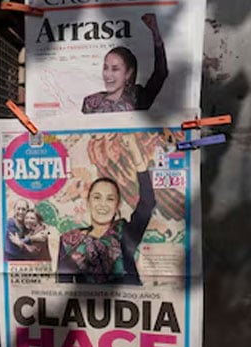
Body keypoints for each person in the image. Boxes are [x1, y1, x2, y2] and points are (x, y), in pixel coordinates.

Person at [57, 137, 155, 284]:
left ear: (117, 206)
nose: (103, 204)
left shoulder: (125, 232)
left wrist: (136, 156)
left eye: (110, 199)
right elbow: (62, 287)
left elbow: (147, 204)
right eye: (97, 197)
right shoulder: (69, 242)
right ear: (88, 202)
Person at [81, 13, 168, 114]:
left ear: (128, 73)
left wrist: (156, 35)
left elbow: (160, 73)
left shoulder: (138, 96)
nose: (108, 74)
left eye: (115, 69)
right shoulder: (91, 102)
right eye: (105, 68)